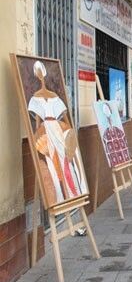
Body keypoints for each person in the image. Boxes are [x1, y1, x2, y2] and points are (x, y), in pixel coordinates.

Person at [28, 60, 88, 204]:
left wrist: (70, 134)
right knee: (53, 163)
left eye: (40, 71)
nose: (40, 74)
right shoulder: (36, 97)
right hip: (48, 132)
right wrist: (38, 139)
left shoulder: (53, 96)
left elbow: (65, 118)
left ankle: (73, 193)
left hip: (57, 130)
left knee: (65, 160)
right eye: (38, 71)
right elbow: (38, 123)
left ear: (42, 73)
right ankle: (61, 197)